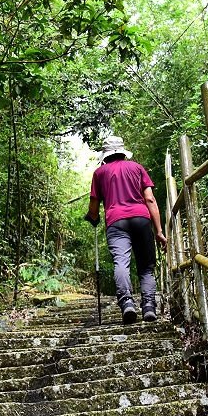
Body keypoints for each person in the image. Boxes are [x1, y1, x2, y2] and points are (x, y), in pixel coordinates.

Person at [84, 135, 167, 323]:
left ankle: (127, 303)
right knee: (146, 268)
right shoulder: (137, 168)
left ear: (105, 155)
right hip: (141, 218)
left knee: (121, 263)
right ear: (122, 151)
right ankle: (148, 307)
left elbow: (93, 209)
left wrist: (93, 218)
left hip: (116, 222)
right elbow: (150, 199)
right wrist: (159, 231)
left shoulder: (100, 173)